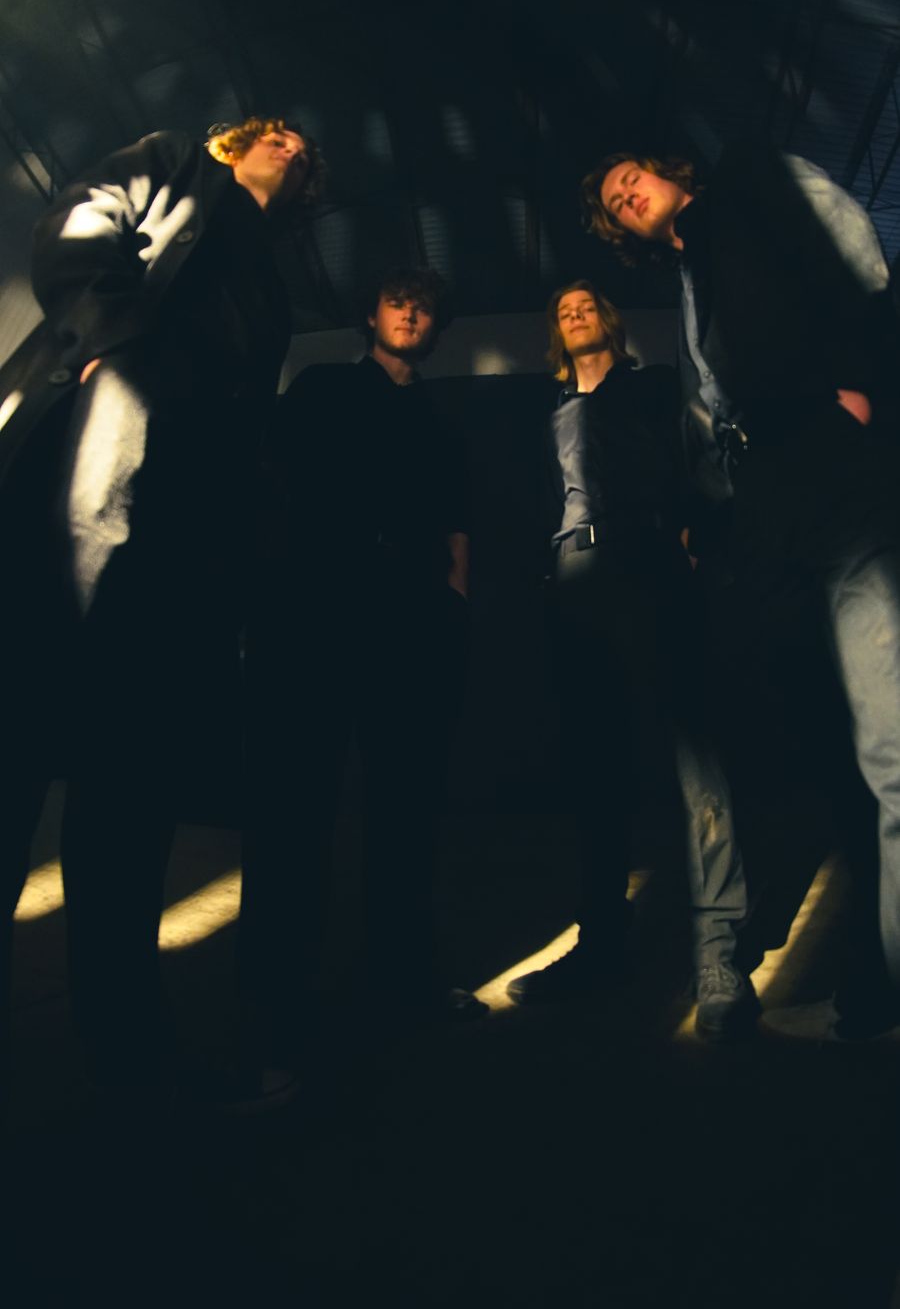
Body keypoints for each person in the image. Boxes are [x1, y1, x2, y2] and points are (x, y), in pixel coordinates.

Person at [0, 115, 323, 1090]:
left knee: (131, 782)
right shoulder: (180, 163)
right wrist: (113, 339)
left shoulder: (271, 282)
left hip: (182, 538)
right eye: (273, 133)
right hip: (83, 478)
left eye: (303, 146)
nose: (290, 143)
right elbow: (79, 221)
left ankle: (124, 1040)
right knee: (16, 735)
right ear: (234, 144)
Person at [583, 145, 900, 1039]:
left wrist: (863, 385)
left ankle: (887, 995)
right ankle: (872, 993)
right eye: (613, 200)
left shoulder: (752, 183)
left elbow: (854, 253)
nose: (626, 192)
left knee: (888, 749)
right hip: (769, 517)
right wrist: (709, 510)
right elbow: (716, 408)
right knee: (831, 752)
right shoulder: (694, 279)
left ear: (669, 171)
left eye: (631, 176)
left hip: (834, 480)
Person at [239, 263, 484, 1091]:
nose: (411, 313)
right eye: (397, 301)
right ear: (370, 316)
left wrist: (453, 603)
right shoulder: (322, 389)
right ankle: (277, 1006)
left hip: (410, 625)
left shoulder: (438, 421)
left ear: (437, 326)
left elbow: (455, 522)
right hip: (318, 616)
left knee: (406, 806)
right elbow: (273, 490)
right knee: (295, 807)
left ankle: (402, 980)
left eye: (424, 306)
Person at [506, 282, 753, 1037]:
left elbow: (699, 459)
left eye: (587, 304)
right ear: (556, 334)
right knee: (595, 770)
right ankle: (602, 946)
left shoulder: (651, 389)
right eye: (564, 310)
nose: (576, 313)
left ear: (608, 321)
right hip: (574, 577)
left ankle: (719, 955)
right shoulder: (548, 412)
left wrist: (693, 539)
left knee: (696, 756)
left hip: (647, 562)